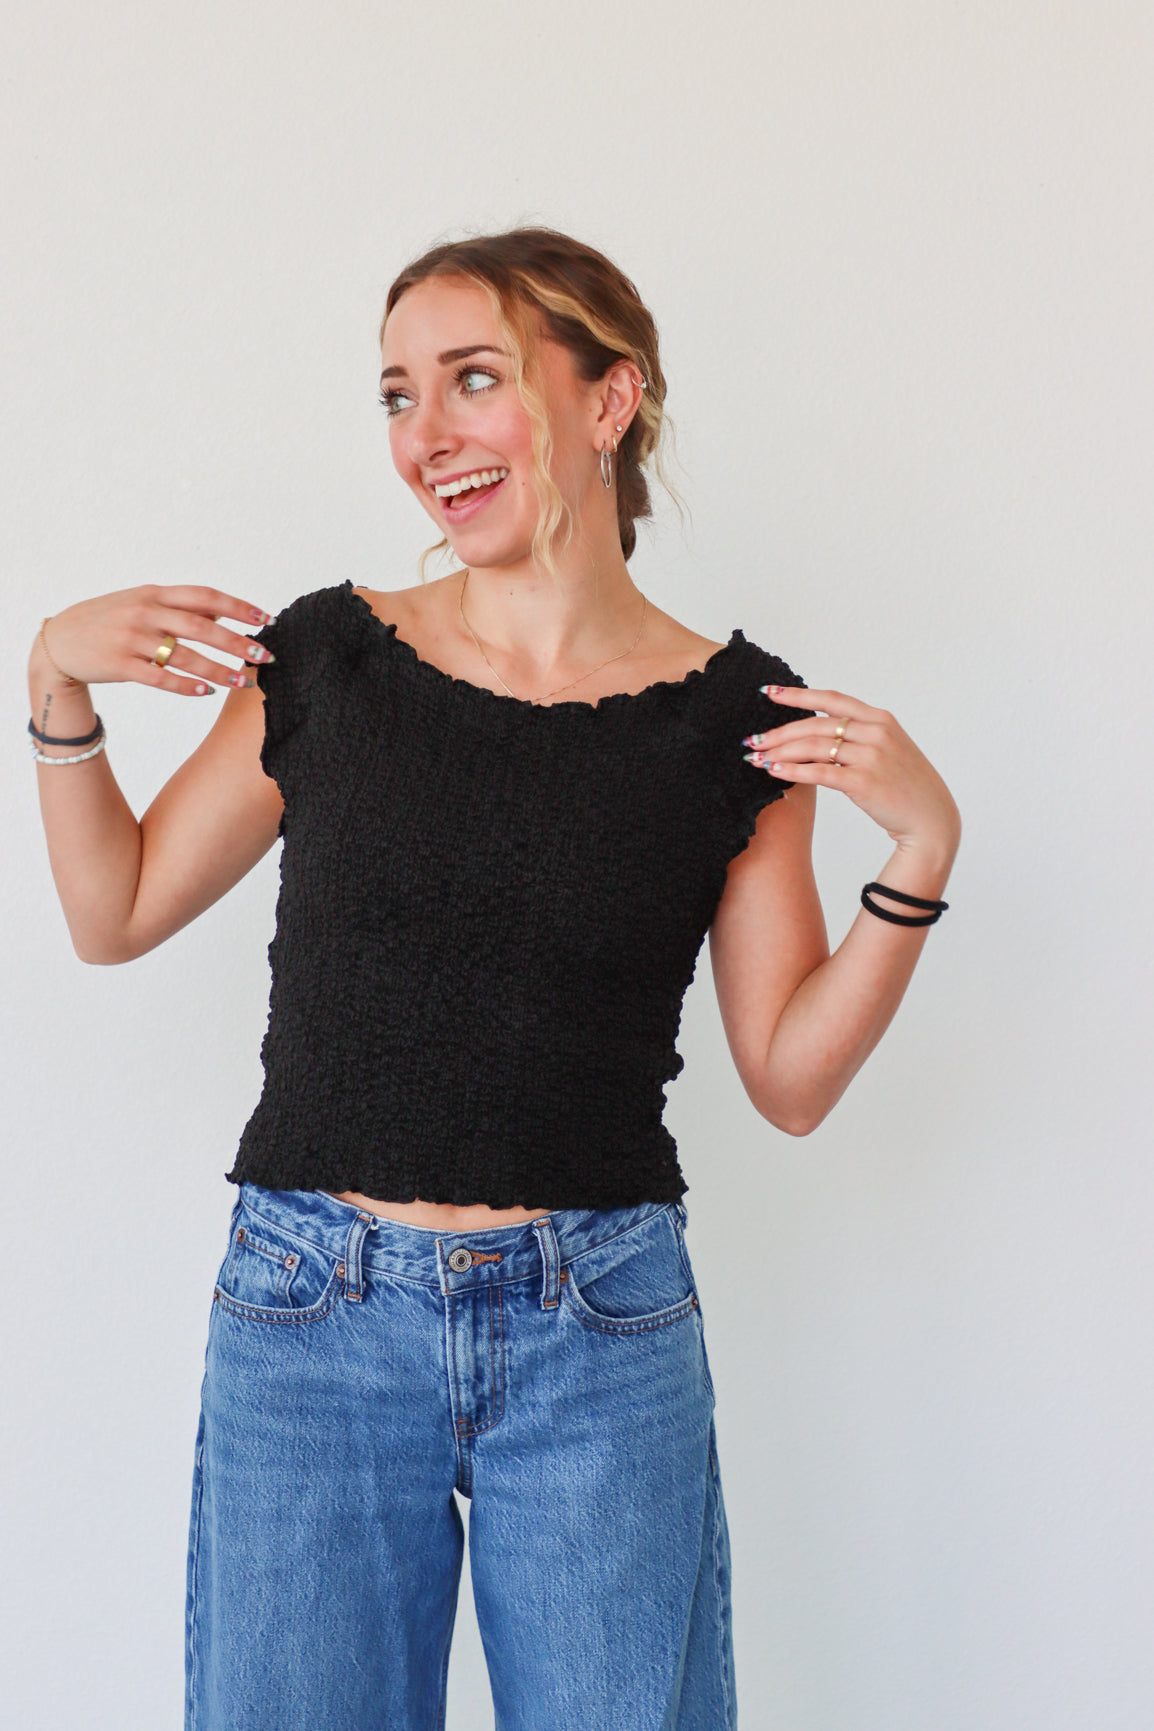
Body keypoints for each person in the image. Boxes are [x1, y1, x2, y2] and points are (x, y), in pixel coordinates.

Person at [27, 227, 961, 1731]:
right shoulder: (325, 662)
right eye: (397, 395)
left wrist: (919, 846)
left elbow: (787, 1081)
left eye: (473, 380)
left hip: (598, 1329)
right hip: (310, 1318)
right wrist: (57, 688)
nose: (425, 437)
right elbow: (114, 909)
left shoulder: (738, 723)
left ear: (610, 403)